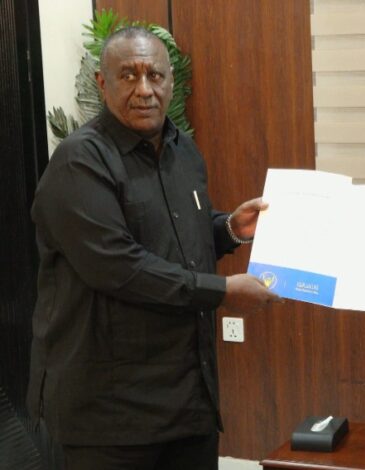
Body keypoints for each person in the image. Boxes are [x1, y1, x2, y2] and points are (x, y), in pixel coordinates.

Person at [26, 27, 278, 470]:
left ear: (170, 82)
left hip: (187, 400)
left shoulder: (184, 152)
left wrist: (229, 230)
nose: (144, 89)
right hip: (110, 412)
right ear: (103, 83)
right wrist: (222, 292)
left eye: (155, 75)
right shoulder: (79, 161)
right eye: (129, 75)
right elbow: (119, 268)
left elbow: (177, 238)